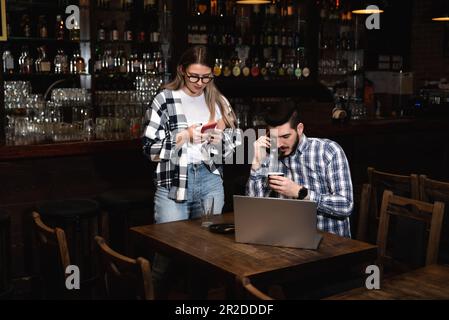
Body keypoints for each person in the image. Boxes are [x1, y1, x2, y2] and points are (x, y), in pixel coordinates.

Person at [142, 45, 239, 297]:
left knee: (206, 257)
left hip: (210, 182)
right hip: (174, 183)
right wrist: (183, 136)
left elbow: (234, 150)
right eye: (194, 76)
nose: (199, 83)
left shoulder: (219, 101)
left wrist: (221, 142)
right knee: (166, 255)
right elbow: (149, 150)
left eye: (206, 77)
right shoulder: (164, 99)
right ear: (181, 71)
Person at [246, 100, 353, 238]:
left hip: (328, 244)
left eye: (285, 136)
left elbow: (346, 206)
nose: (278, 144)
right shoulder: (270, 153)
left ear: (300, 129)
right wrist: (256, 164)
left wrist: (300, 192)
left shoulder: (328, 151)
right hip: (286, 241)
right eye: (274, 137)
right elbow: (255, 210)